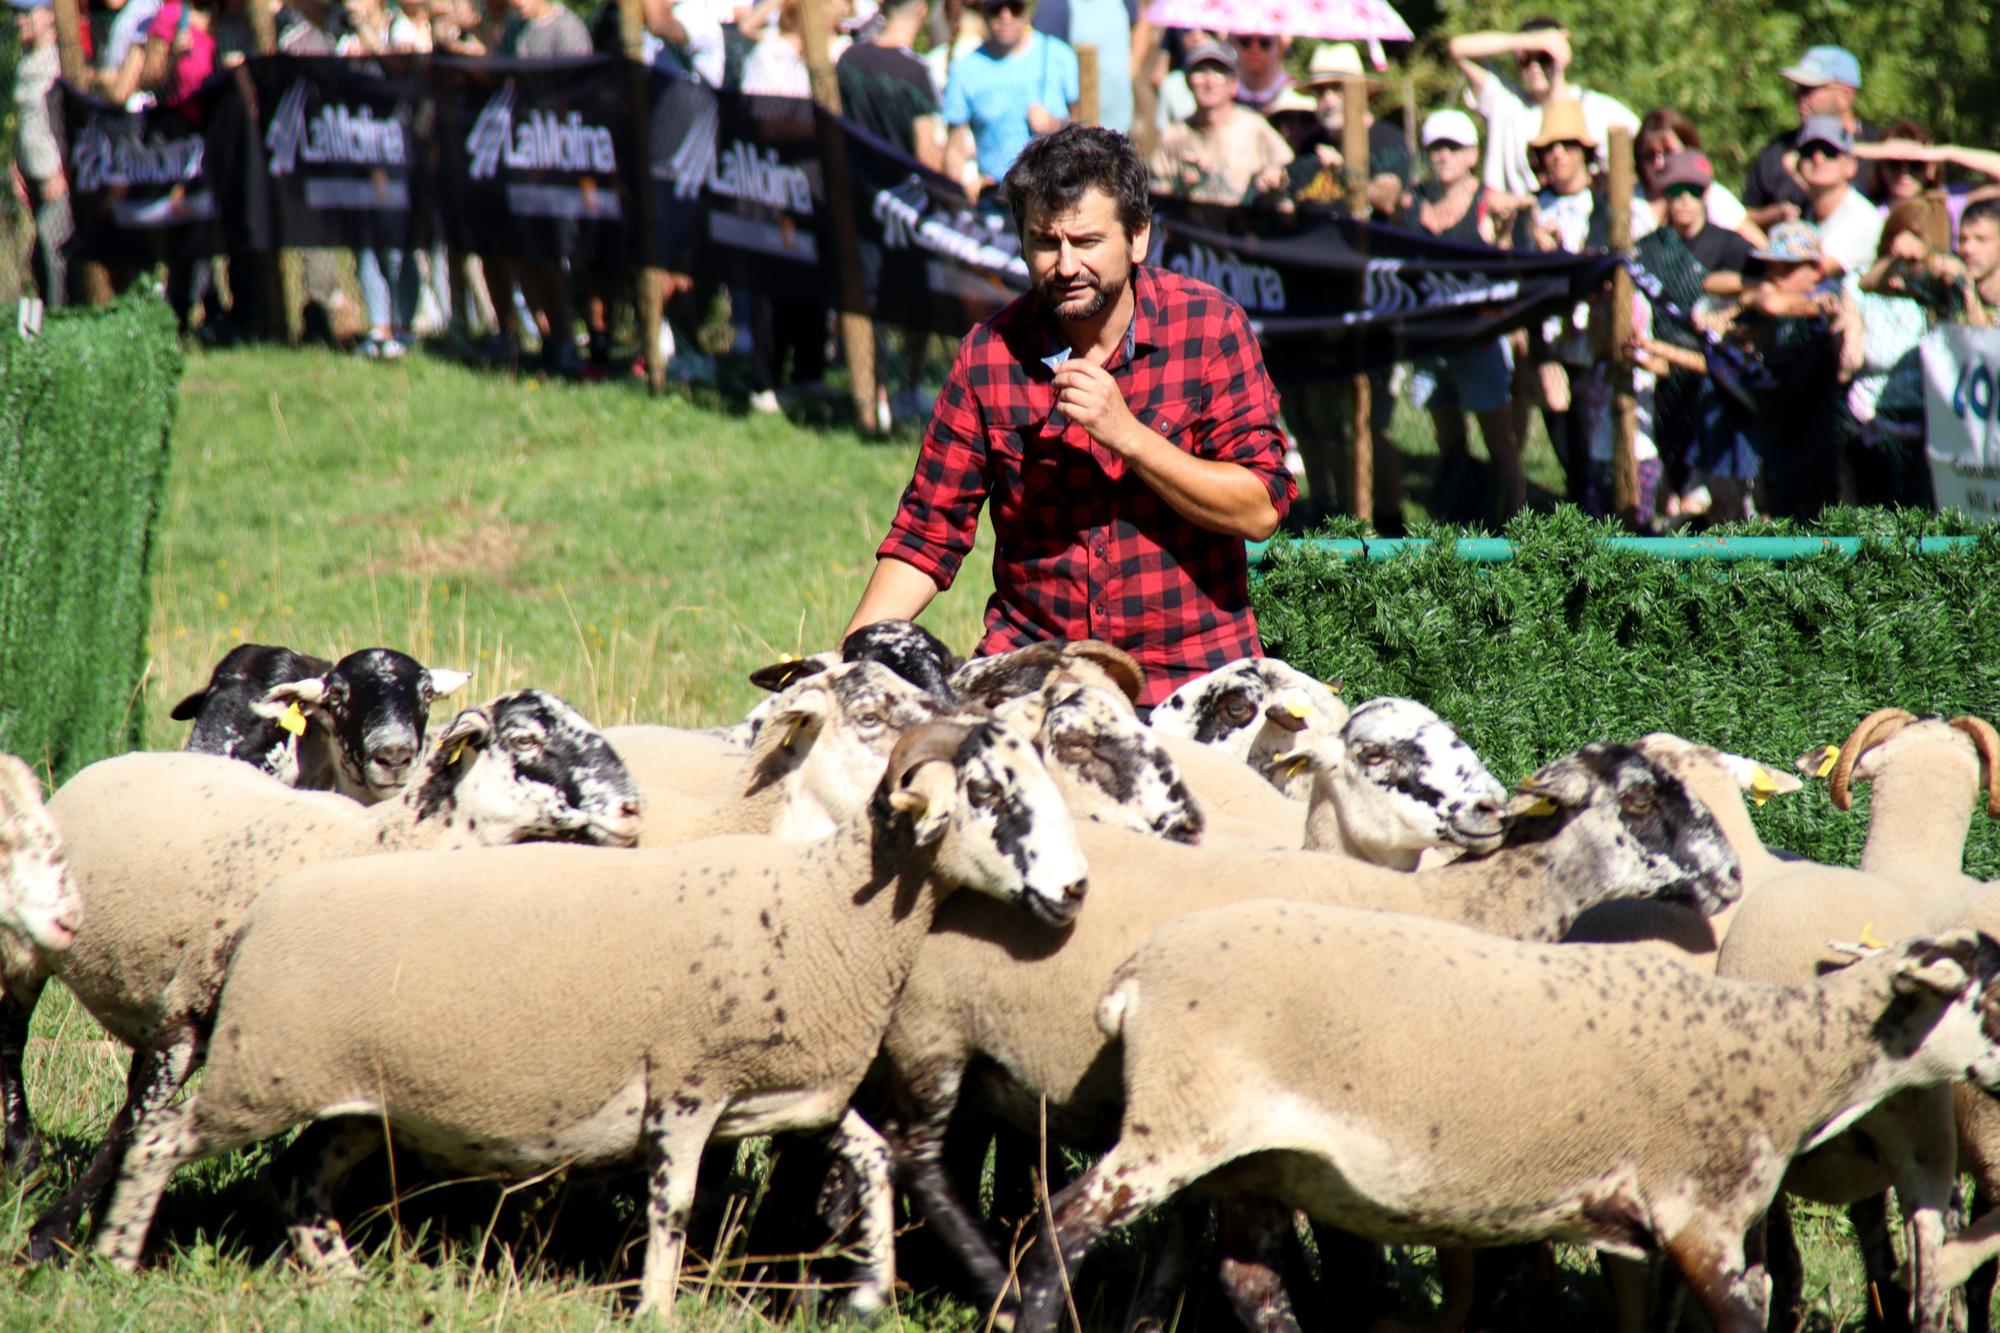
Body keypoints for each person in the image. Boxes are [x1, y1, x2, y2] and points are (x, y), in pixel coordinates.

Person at [844, 124, 1294, 709]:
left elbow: (1259, 508)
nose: (1064, 265)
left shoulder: (1209, 329)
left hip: (1191, 678)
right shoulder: (990, 354)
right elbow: (926, 537)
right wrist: (845, 665)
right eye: (1044, 242)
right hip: (1034, 674)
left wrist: (1128, 435)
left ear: (1137, 239)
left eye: (1085, 242)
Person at [1393, 108, 1526, 524]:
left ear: (1472, 154)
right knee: (1448, 437)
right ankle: (1459, 518)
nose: (1444, 155)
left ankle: (1518, 524)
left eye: (1453, 147)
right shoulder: (1412, 202)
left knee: (1499, 439)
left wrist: (1505, 232)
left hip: (1479, 339)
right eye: (1436, 147)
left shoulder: (1494, 204)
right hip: (1430, 340)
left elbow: (1512, 270)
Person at [1449, 17, 1637, 198]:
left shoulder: (1596, 108)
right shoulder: (1507, 104)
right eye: (1526, 58)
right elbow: (1458, 49)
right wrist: (1527, 41)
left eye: (1543, 58)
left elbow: (1638, 159)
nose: (1534, 67)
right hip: (1516, 223)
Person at [941, 0, 1078, 194]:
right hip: (996, 194)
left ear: (1026, 13)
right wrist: (964, 184)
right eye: (996, 10)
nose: (1006, 17)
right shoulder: (964, 68)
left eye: (1014, 8)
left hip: (1053, 191)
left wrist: (1054, 125)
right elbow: (955, 146)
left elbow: (1086, 125)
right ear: (985, 14)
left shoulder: (1059, 54)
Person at [1742, 44, 1881, 231]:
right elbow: (1743, 216)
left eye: (1809, 90)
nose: (1800, 97)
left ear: (1846, 95)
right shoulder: (1776, 152)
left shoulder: (1880, 151)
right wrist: (1773, 215)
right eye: (1797, 89)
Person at [1146, 38, 1290, 204]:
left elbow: (1288, 171)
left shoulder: (1254, 128)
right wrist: (1181, 186)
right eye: (1200, 72)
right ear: (1188, 82)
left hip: (1242, 226)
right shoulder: (1174, 136)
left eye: (1218, 73)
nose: (1209, 81)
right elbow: (1156, 199)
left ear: (1233, 84)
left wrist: (1271, 181)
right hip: (1188, 226)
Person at [1285, 42, 1411, 217]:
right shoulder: (1310, 145)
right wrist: (1274, 191)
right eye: (1320, 92)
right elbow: (1291, 206)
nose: (1328, 101)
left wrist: (1343, 173)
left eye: (1338, 89)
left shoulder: (1388, 140)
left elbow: (1387, 198)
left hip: (1364, 242)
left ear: (1361, 93)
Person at [12, 0, 70, 309]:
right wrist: (15, 165)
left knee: (52, 244)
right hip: (31, 176)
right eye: (15, 15)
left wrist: (62, 172)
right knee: (37, 257)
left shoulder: (58, 62)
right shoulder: (25, 64)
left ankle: (60, 319)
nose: (19, 21)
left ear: (48, 16)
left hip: (56, 176)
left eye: (25, 14)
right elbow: (25, 121)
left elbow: (67, 122)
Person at [837, 0, 943, 170]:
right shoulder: (917, 71)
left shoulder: (848, 58)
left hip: (855, 186)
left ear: (884, 8)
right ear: (922, 10)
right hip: (903, 189)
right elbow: (927, 158)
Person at [1635, 108, 1759, 246]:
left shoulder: (1709, 194)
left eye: (1668, 152)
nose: (1659, 163)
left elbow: (1760, 246)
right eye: (1650, 156)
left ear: (1689, 148)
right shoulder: (1630, 201)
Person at [1793, 115, 1882, 283]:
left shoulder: (1860, 217)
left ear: (1850, 166)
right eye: (1809, 151)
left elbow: (1809, 276)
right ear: (1799, 165)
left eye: (1830, 152)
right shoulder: (1806, 211)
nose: (1818, 159)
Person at [1030, 0, 1132, 133]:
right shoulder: (1054, 6)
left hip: (1120, 124)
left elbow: (1141, 22)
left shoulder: (1123, 3)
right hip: (1080, 134)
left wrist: (1131, 67)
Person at [1228, 31, 1288, 112]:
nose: (1254, 49)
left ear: (1280, 46)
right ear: (1234, 44)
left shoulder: (1292, 93)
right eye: (1245, 41)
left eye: (1265, 42)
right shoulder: (1224, 93)